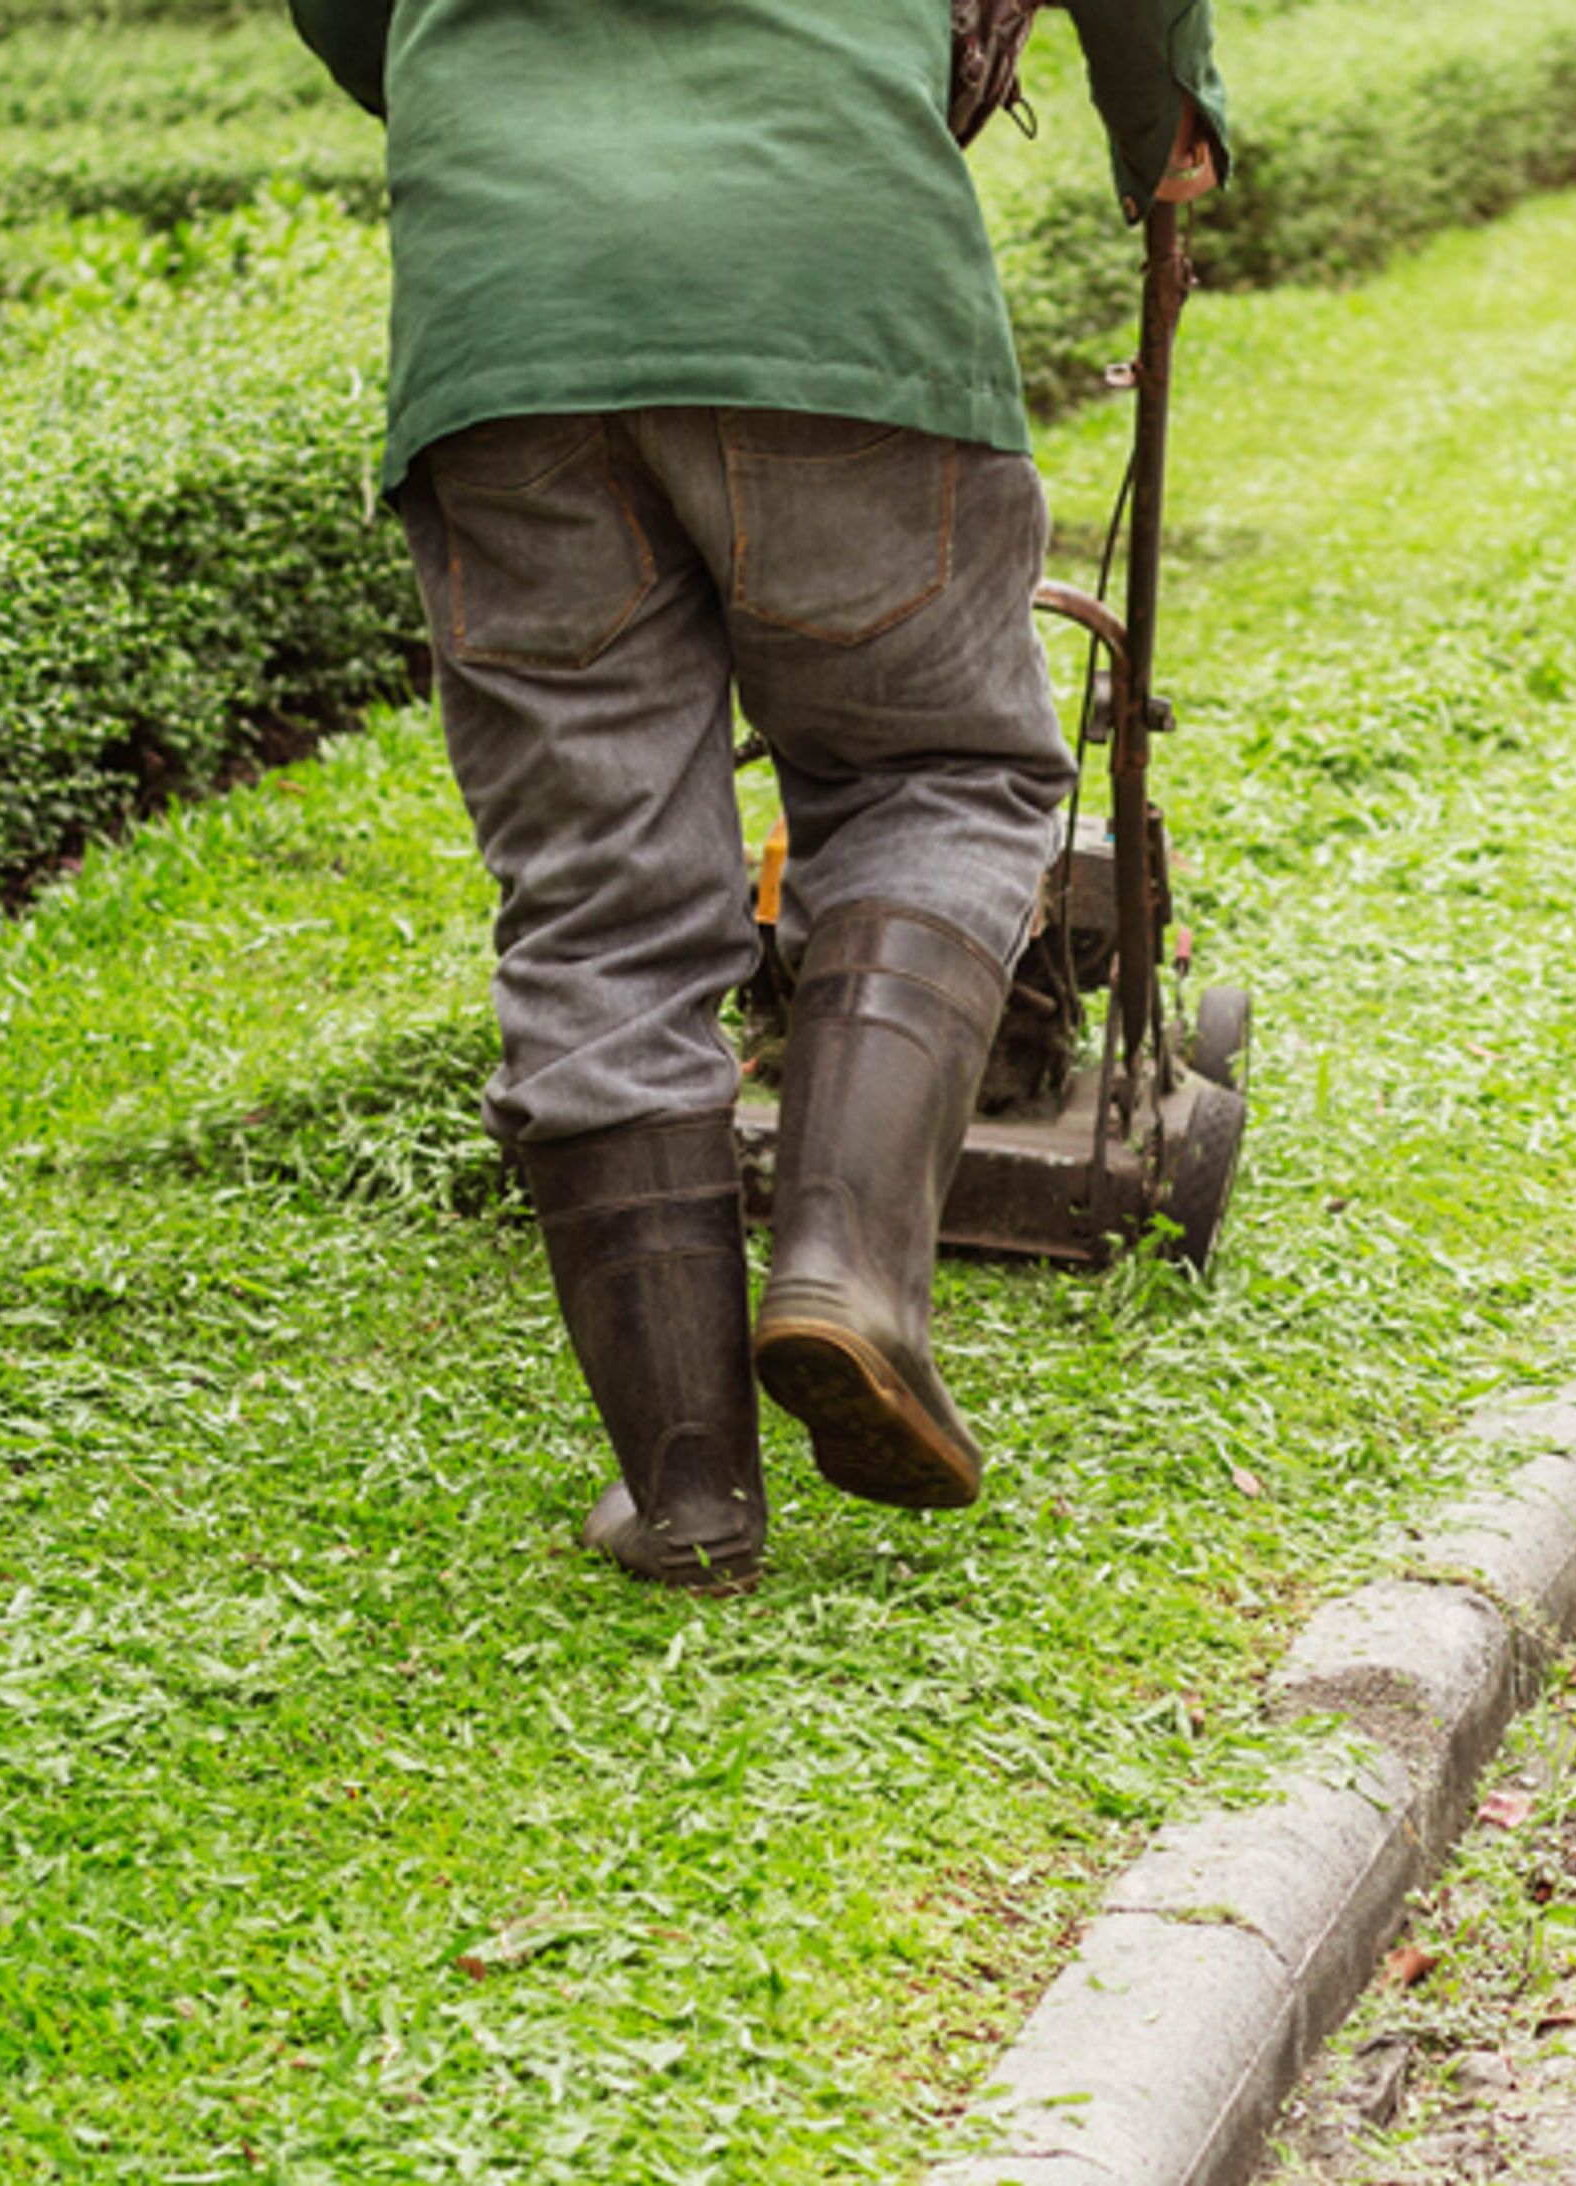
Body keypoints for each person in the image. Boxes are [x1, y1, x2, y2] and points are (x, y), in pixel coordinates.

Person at [286, 0, 1228, 1594]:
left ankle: (690, 1495)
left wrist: (498, 87)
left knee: (598, 893)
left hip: (511, 304)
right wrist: (1166, 122)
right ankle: (848, 1272)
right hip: (830, 274)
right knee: (939, 772)